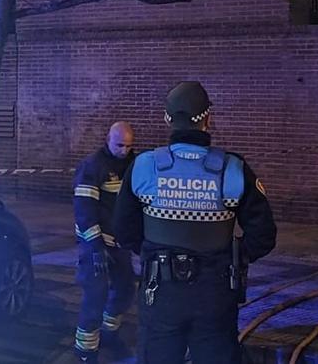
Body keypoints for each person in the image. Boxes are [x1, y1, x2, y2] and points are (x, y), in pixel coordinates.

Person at [113, 82, 276, 364]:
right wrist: (234, 256)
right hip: (215, 293)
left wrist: (153, 252)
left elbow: (123, 229)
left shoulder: (144, 166)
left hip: (160, 292)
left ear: (167, 119)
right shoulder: (232, 168)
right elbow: (263, 235)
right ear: (208, 118)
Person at [72, 122, 137, 362]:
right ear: (108, 139)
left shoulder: (132, 164)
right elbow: (84, 209)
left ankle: (109, 334)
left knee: (125, 289)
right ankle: (85, 352)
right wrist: (95, 246)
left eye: (129, 146)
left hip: (119, 243)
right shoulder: (93, 166)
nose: (124, 150)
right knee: (95, 296)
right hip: (95, 244)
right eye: (119, 145)